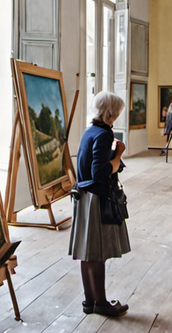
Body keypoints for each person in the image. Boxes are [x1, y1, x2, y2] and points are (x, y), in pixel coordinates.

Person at [69, 91, 130, 317]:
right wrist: (119, 154)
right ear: (111, 113)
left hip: (83, 197)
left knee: (88, 254)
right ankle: (102, 303)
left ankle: (90, 302)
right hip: (96, 199)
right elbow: (101, 173)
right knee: (98, 254)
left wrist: (112, 155)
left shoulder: (89, 131)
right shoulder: (104, 134)